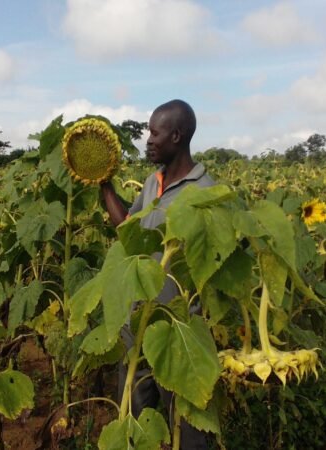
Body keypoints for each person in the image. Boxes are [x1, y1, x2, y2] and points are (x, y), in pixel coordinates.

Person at [100, 99, 215, 449]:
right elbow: (129, 230)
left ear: (176, 136)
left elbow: (217, 259)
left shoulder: (205, 192)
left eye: (154, 133)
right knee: (134, 413)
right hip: (138, 321)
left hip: (178, 326)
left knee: (188, 420)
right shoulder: (153, 182)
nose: (148, 140)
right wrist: (104, 186)